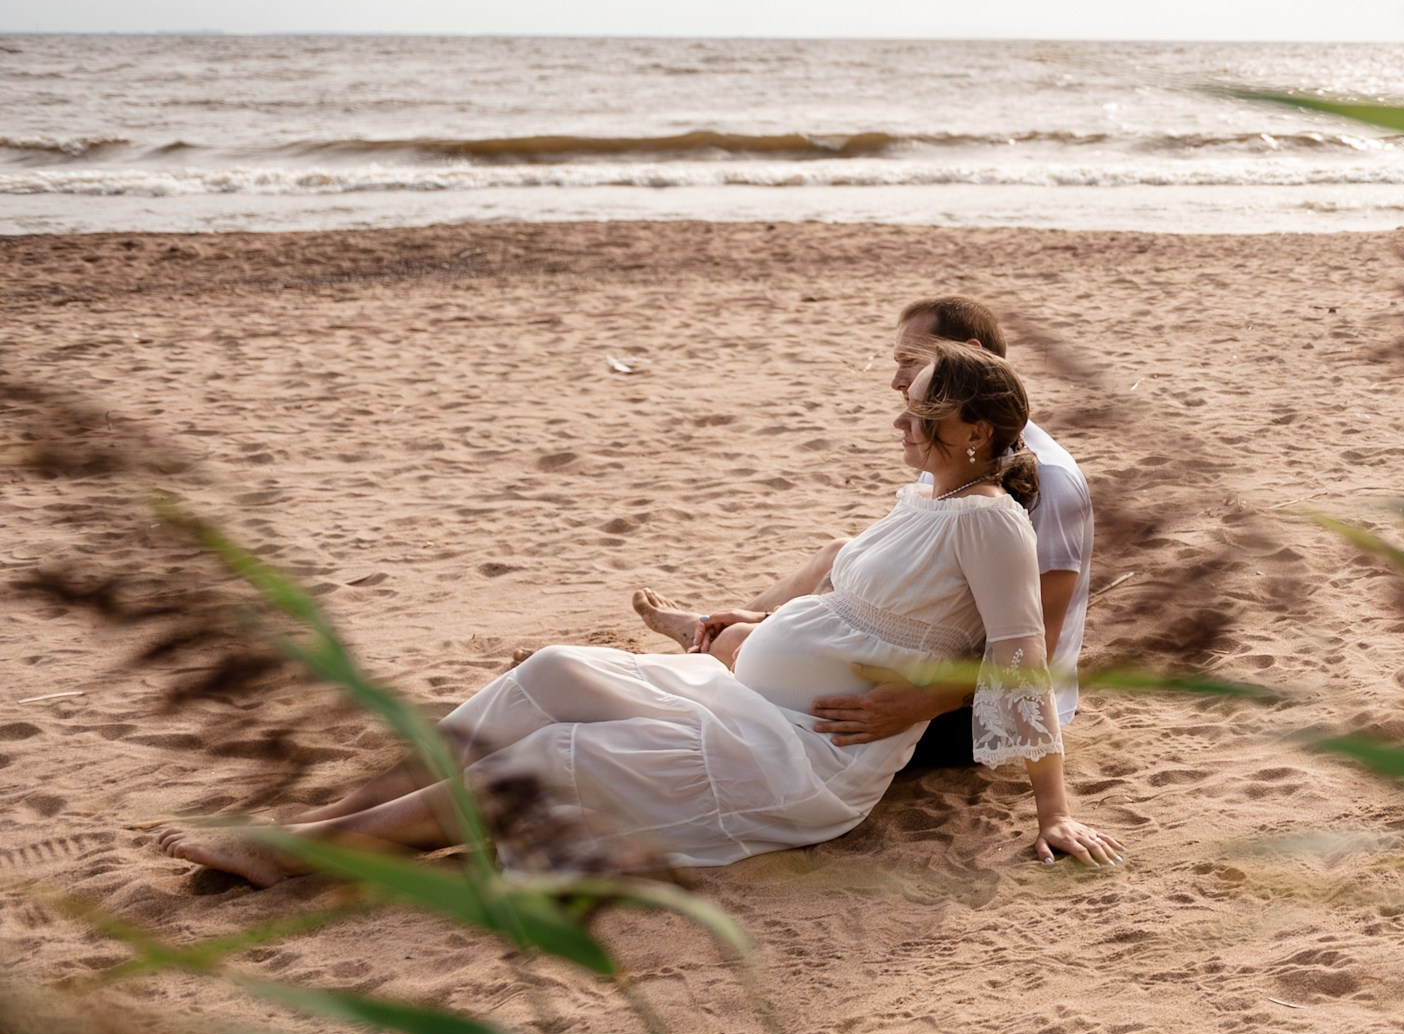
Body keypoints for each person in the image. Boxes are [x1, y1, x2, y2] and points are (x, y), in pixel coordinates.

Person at [157, 345, 1124, 886]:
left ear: (973, 432)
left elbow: (1022, 657)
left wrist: (1049, 807)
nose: (898, 424)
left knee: (548, 765)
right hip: (748, 700)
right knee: (551, 673)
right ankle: (342, 819)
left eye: (917, 414)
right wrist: (764, 621)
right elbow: (863, 600)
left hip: (805, 759)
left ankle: (313, 857)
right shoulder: (931, 502)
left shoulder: (994, 523)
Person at [636, 295, 1092, 773]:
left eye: (909, 362)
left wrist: (921, 703)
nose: (896, 381)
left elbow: (1033, 651)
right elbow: (906, 588)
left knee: (730, 658)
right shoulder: (952, 454)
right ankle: (723, 630)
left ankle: (717, 636)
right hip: (921, 665)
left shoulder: (1045, 483)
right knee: (828, 564)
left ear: (967, 353)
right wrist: (771, 619)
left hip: (960, 706)